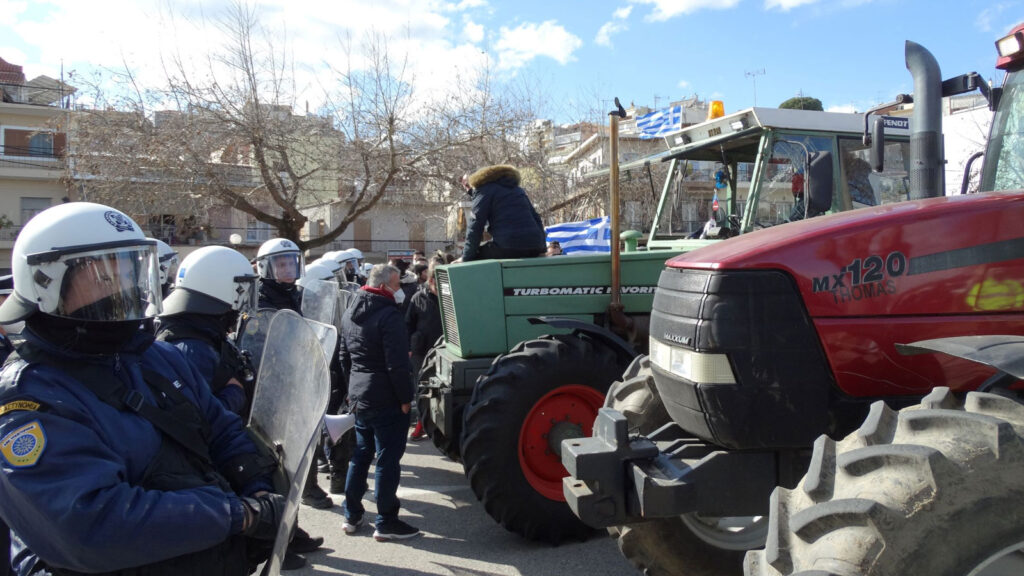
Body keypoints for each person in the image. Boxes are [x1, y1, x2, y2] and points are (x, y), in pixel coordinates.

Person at [0, 202, 286, 575]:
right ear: (47, 282)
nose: (125, 289)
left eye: (132, 271)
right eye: (105, 277)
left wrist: (258, 486)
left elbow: (221, 428)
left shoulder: (155, 356)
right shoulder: (29, 397)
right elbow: (90, 524)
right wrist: (240, 515)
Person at [156, 246, 322, 569]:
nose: (246, 299)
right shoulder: (191, 346)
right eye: (241, 290)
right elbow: (195, 418)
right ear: (220, 290)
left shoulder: (202, 333)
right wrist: (235, 394)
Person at [339, 264, 419, 541]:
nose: (400, 290)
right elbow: (397, 364)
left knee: (360, 455)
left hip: (360, 395)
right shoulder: (389, 316)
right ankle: (386, 520)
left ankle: (351, 514)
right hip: (386, 397)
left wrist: (352, 388)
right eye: (397, 285)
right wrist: (405, 398)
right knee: (387, 459)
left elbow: (343, 356)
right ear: (384, 286)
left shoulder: (350, 310)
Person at [461, 164, 547, 262]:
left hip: (509, 246)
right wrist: (542, 249)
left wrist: (465, 257)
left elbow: (475, 225)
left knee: (473, 255)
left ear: (474, 180)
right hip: (535, 246)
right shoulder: (517, 190)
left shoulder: (483, 190)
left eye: (466, 185)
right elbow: (536, 218)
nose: (467, 189)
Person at [405, 259, 443, 442]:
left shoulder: (450, 296)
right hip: (421, 350)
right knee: (421, 388)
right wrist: (409, 347)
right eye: (435, 280)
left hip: (444, 349)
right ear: (430, 280)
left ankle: (438, 424)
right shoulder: (418, 297)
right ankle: (421, 424)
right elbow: (408, 324)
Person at [255, 238, 304, 312]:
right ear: (265, 269)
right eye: (282, 265)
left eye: (292, 264)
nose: (288, 270)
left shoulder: (299, 292)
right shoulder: (259, 297)